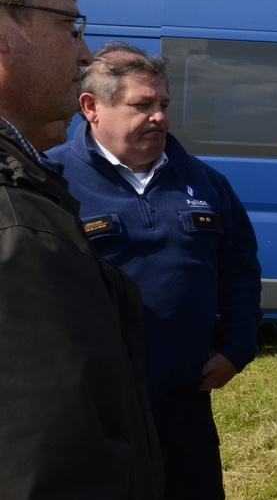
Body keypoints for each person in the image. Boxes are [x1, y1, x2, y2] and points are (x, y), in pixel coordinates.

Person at [48, 41, 263, 500]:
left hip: (182, 403)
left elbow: (240, 267)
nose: (159, 117)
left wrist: (238, 345)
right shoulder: (52, 181)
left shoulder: (205, 182)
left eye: (163, 104)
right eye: (142, 105)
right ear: (91, 108)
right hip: (94, 412)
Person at [0, 0, 163, 498]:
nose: (83, 55)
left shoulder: (27, 189)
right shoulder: (15, 225)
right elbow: (42, 464)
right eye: (68, 27)